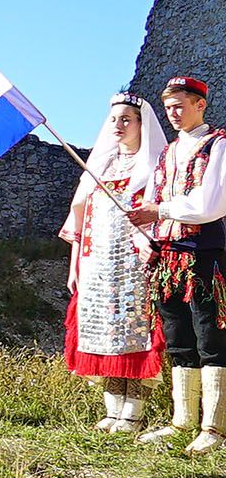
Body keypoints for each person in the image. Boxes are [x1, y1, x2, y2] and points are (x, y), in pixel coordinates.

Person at [127, 76, 226, 453]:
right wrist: (145, 231)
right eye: (169, 108)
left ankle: (214, 427)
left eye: (180, 106)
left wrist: (160, 210)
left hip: (204, 254)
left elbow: (211, 203)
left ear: (201, 104)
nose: (174, 114)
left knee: (209, 334)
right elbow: (151, 200)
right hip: (167, 256)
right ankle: (182, 420)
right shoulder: (167, 154)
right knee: (177, 336)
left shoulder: (217, 146)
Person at [60, 94, 165, 434]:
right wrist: (75, 265)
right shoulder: (98, 168)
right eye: (114, 120)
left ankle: (132, 414)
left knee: (136, 334)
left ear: (141, 124)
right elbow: (81, 222)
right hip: (98, 264)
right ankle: (112, 410)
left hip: (136, 264)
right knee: (102, 332)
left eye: (127, 120)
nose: (119, 126)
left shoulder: (154, 166)